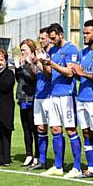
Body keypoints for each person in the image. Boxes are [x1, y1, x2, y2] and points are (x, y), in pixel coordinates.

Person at [39, 23, 81, 177]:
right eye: (50, 38)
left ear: (61, 34)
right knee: (55, 129)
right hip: (54, 94)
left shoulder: (71, 49)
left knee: (70, 129)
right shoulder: (53, 50)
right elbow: (50, 73)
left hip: (67, 95)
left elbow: (70, 73)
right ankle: (58, 166)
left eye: (53, 37)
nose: (51, 41)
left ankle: (76, 167)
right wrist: (43, 64)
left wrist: (53, 64)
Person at [71, 20, 93, 179]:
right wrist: (77, 74)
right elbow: (81, 77)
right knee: (86, 132)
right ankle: (92, 167)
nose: (84, 36)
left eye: (87, 33)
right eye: (83, 33)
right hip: (82, 98)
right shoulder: (83, 53)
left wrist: (82, 73)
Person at [28, 27, 53, 170]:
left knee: (54, 128)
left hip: (49, 95)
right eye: (40, 38)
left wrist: (39, 62)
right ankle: (42, 161)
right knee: (40, 128)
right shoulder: (40, 54)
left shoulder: (51, 54)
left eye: (43, 38)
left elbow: (49, 74)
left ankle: (57, 163)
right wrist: (33, 64)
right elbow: (35, 76)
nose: (40, 41)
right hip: (38, 95)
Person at [15, 39, 38, 166]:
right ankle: (29, 154)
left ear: (31, 49)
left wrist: (23, 67)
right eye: (22, 50)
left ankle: (37, 155)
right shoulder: (23, 62)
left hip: (32, 97)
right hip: (22, 97)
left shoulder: (33, 61)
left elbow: (32, 78)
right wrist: (18, 69)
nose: (23, 52)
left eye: (25, 49)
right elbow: (19, 79)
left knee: (34, 128)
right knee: (26, 129)